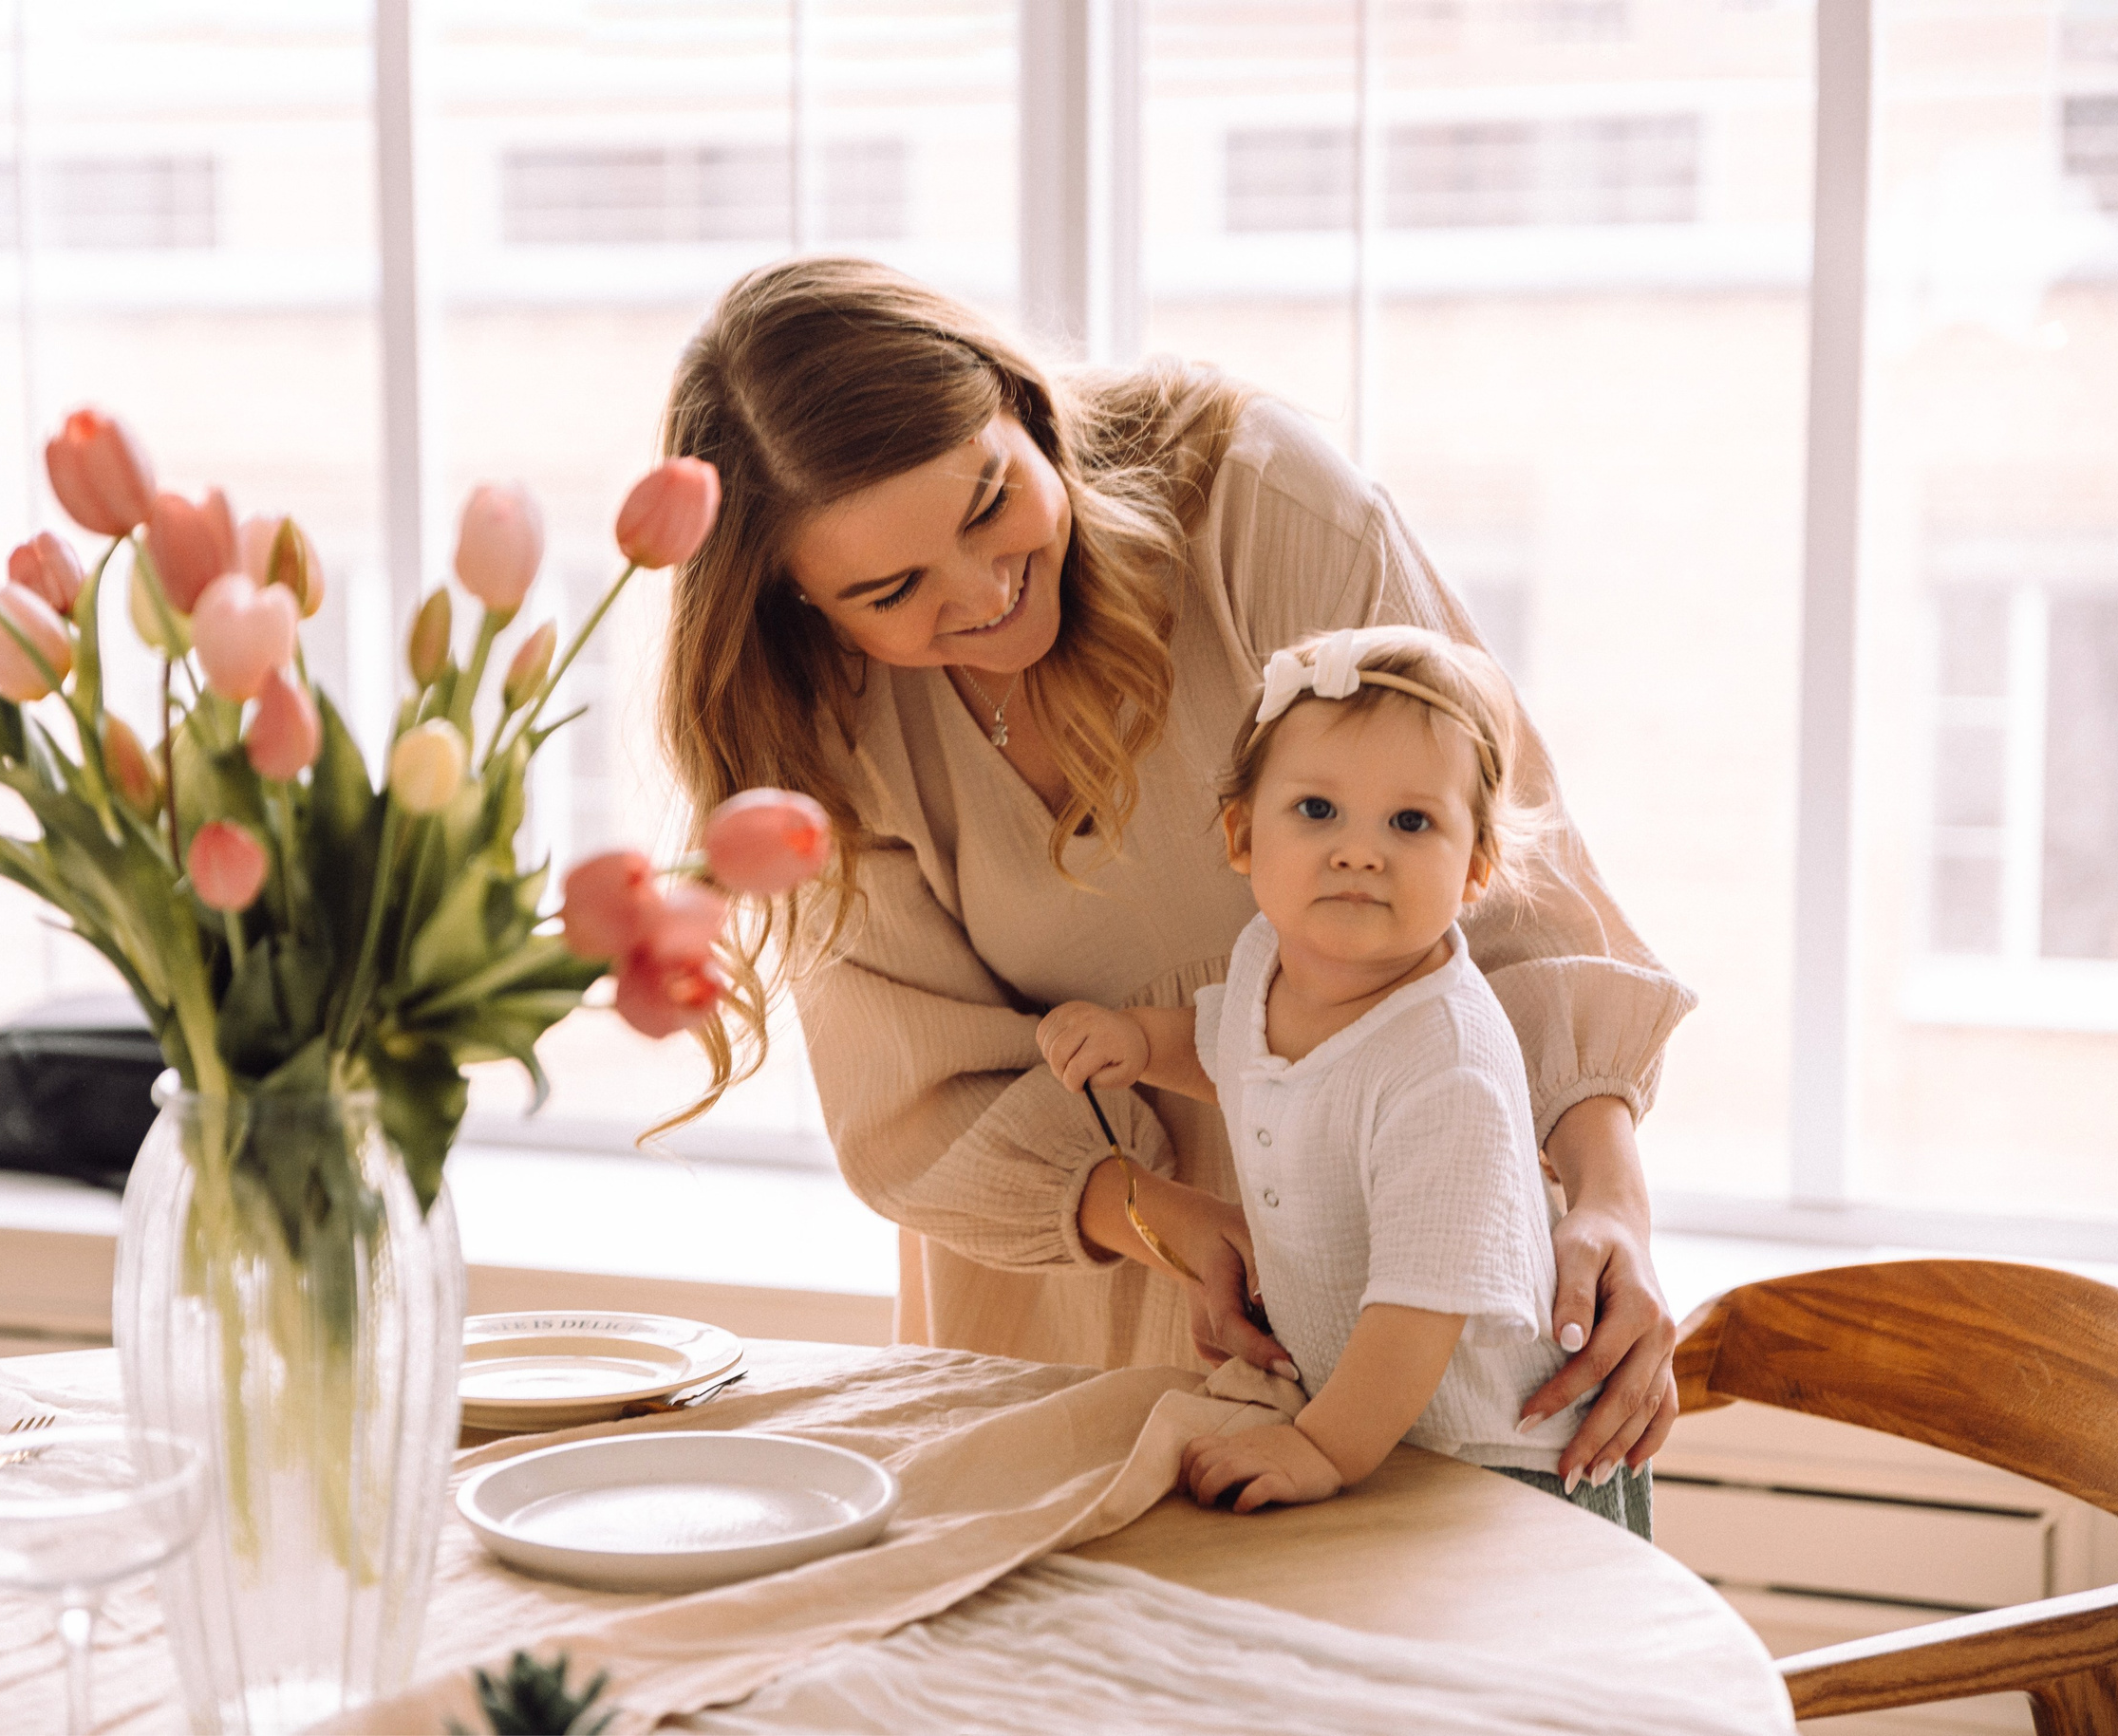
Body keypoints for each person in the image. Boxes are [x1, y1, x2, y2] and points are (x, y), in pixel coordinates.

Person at [655, 256, 1696, 1486]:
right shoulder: (819, 715)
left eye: (992, 503)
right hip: (1077, 1318)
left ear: (1022, 405)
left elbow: (1508, 884)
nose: (985, 595)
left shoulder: (1257, 507)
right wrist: (1162, 1219)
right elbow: (916, 1088)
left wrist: (1609, 1197)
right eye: (890, 591)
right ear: (798, 609)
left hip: (1412, 1295)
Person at [1037, 625, 1648, 1533]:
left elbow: (1419, 1308)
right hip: (1379, 1427)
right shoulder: (1267, 960)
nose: (1360, 851)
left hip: (1506, 1464)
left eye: (1411, 823)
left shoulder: (1446, 1063)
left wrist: (1321, 1445)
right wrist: (1138, 1040)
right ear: (1243, 835)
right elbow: (1235, 1050)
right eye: (1317, 810)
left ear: (1476, 867)